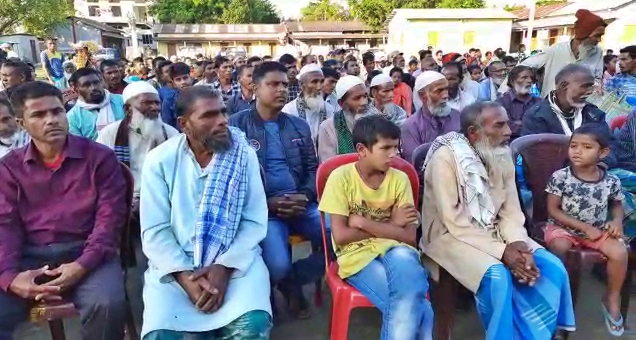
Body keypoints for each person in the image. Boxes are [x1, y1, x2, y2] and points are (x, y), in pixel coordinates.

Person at [421, 101, 576, 340]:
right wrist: (503, 251)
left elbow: (511, 210)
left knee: (552, 268)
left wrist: (518, 244)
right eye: (499, 125)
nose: (508, 132)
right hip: (449, 236)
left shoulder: (501, 153)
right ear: (474, 133)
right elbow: (454, 222)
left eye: (507, 124)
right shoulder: (445, 159)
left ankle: (535, 335)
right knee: (497, 276)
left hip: (497, 232)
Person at [139, 86, 272, 339]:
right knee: (163, 334)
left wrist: (224, 267)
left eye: (223, 112)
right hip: (175, 266)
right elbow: (155, 231)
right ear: (184, 124)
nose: (222, 120)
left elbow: (254, 222)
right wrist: (184, 277)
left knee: (251, 326)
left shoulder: (243, 155)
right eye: (209, 115)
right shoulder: (160, 160)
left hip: (236, 261)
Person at [0, 81, 128, 339]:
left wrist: (82, 265)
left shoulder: (99, 158)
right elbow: (5, 226)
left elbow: (109, 220)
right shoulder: (9, 168)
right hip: (31, 256)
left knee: (106, 304)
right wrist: (10, 278)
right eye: (39, 114)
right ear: (21, 123)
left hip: (88, 253)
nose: (52, 120)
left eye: (57, 111)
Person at [319, 115, 433, 340]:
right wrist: (392, 225)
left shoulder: (399, 179)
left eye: (396, 147)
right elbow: (341, 236)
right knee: (421, 310)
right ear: (362, 149)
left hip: (398, 250)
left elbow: (409, 237)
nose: (394, 154)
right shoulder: (340, 178)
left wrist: (363, 222)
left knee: (408, 276)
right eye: (386, 148)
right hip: (357, 256)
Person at [229, 62, 324, 318]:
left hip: (301, 204)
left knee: (343, 241)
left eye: (284, 84)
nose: (281, 89)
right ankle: (282, 281)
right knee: (278, 265)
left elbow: (313, 170)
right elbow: (233, 180)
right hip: (265, 211)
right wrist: (267, 203)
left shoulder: (298, 125)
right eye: (273, 84)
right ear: (254, 87)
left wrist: (304, 196)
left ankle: (293, 282)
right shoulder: (235, 127)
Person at [545, 125, 627, 336]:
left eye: (587, 147)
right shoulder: (561, 177)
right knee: (560, 247)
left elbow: (617, 205)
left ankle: (611, 297)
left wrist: (616, 222)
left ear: (603, 153)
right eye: (574, 146)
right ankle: (556, 301)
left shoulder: (611, 180)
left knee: (619, 252)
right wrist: (583, 227)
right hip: (563, 229)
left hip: (597, 231)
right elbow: (553, 210)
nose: (577, 151)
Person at [96, 81, 178, 201]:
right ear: (127, 109)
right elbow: (99, 172)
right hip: (121, 199)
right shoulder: (109, 134)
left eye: (157, 103)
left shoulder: (171, 134)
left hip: (161, 198)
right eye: (146, 103)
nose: (155, 107)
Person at [501, 9, 606, 97]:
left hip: (580, 109)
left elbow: (597, 77)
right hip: (550, 109)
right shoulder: (555, 51)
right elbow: (522, 67)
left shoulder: (597, 52)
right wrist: (503, 92)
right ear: (584, 34)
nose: (599, 40)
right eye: (597, 35)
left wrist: (596, 86)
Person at [401, 71, 460, 162]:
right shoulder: (411, 126)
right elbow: (415, 163)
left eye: (446, 89)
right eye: (439, 91)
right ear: (422, 96)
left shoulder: (457, 116)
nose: (446, 95)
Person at [317, 75, 370, 162]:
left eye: (365, 96)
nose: (364, 102)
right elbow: (329, 165)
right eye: (357, 98)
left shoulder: (377, 121)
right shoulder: (328, 127)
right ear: (341, 103)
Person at [282, 63, 335, 144]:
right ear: (301, 84)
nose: (319, 87)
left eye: (321, 81)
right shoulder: (289, 111)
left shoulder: (329, 109)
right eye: (314, 82)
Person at [67, 68, 125, 140]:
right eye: (86, 85)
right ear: (76, 89)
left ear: (102, 82)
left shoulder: (122, 100)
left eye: (96, 82)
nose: (93, 88)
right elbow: (79, 147)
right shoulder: (72, 118)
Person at [497, 65, 541, 140]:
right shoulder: (501, 103)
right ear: (512, 81)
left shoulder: (539, 102)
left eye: (531, 78)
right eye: (524, 77)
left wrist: (518, 124)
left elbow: (543, 125)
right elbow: (505, 127)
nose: (529, 81)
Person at [161, 62, 193, 130]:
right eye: (178, 80)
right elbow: (167, 126)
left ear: (191, 77)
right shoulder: (169, 100)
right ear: (174, 83)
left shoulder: (202, 94)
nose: (183, 82)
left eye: (185, 78)